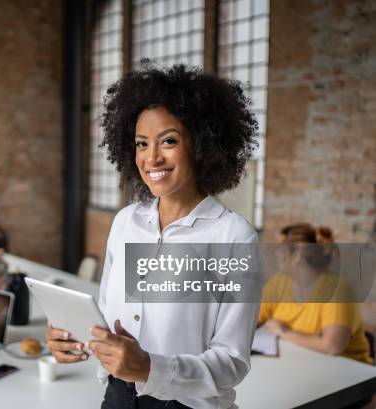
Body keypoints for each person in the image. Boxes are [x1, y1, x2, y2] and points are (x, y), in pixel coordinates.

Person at [47, 63, 260, 409]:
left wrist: (151, 368)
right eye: (141, 144)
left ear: (202, 145)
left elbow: (232, 361)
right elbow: (106, 317)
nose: (152, 157)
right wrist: (75, 340)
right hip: (118, 396)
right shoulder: (126, 222)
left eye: (169, 141)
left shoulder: (233, 236)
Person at [259, 223, 372, 364]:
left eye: (281, 248)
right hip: (302, 365)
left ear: (297, 256)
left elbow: (332, 346)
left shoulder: (338, 290)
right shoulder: (279, 283)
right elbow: (254, 317)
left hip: (351, 375)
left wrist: (284, 332)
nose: (277, 253)